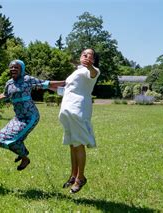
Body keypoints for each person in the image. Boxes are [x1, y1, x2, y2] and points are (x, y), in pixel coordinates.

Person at [0, 60, 65, 171]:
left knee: (13, 140)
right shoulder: (9, 83)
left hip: (30, 117)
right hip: (18, 118)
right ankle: (22, 152)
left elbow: (47, 84)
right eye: (11, 67)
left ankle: (24, 158)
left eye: (16, 67)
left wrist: (66, 81)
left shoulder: (27, 79)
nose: (13, 69)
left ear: (21, 69)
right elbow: (4, 95)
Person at [59, 48, 100, 194]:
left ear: (93, 60)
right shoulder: (77, 71)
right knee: (72, 144)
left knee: (78, 143)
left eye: (90, 55)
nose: (86, 56)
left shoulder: (92, 71)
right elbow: (67, 86)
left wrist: (89, 66)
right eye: (84, 54)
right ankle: (73, 175)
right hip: (67, 110)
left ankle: (80, 177)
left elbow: (93, 73)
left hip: (78, 110)